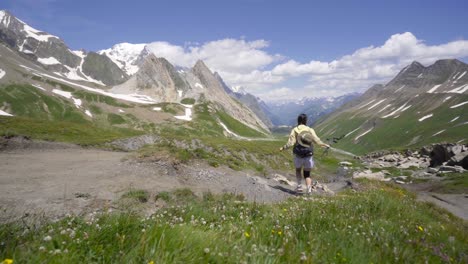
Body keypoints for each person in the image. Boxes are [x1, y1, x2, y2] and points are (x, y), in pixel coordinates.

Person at [279, 113, 330, 194]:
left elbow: (291, 143)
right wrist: (324, 145)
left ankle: (299, 186)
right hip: (308, 154)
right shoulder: (310, 130)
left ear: (298, 120)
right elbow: (316, 140)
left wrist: (283, 148)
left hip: (298, 154)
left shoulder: (295, 130)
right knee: (307, 174)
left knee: (298, 170)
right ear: (306, 121)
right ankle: (309, 189)